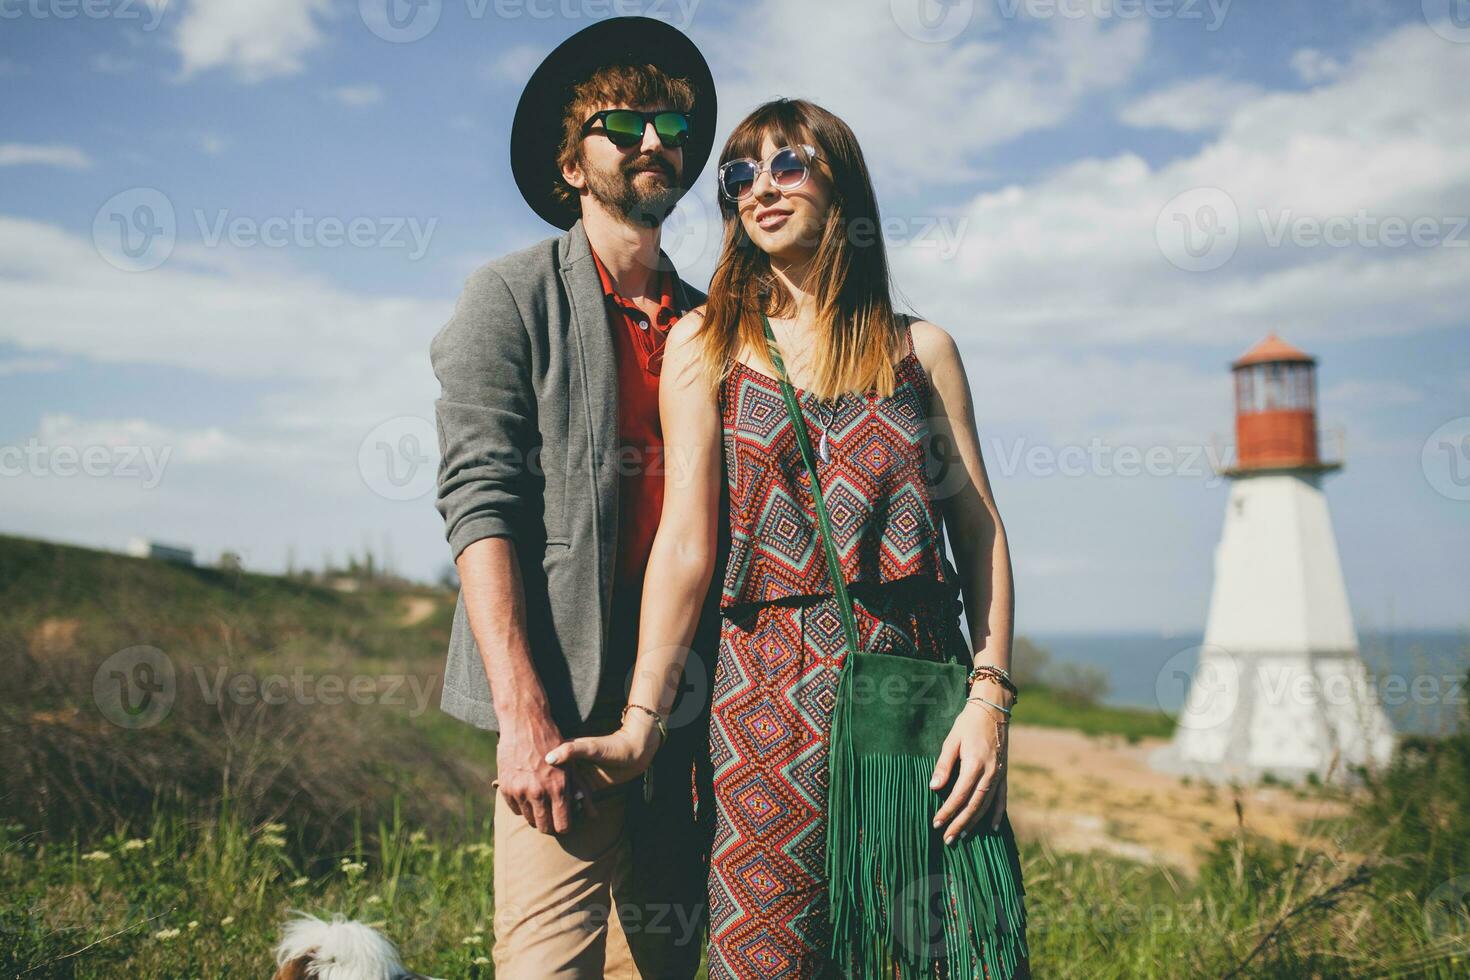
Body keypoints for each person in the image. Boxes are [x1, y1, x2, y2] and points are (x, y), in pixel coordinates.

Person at [546, 97, 1031, 978]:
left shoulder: (922, 350)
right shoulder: (709, 344)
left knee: (955, 955)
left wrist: (989, 700)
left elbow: (980, 532)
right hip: (765, 699)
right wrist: (642, 724)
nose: (760, 188)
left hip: (918, 686)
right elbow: (687, 546)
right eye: (738, 177)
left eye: (788, 164)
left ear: (838, 179)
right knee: (771, 959)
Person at [428, 16, 725, 979]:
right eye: (624, 123)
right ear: (571, 163)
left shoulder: (718, 322)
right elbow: (482, 505)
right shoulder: (509, 296)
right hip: (562, 723)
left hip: (692, 721)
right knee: (546, 968)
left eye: (673, 129)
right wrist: (523, 716)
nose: (654, 142)